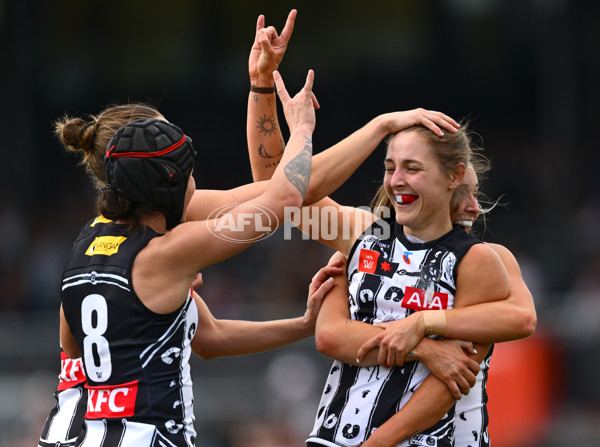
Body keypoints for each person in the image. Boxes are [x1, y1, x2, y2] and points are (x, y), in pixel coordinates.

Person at [245, 12, 534, 446]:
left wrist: (421, 325)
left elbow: (517, 323)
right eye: (390, 167)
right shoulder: (368, 231)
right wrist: (261, 85)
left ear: (453, 177)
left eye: (413, 168)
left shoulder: (479, 259)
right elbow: (276, 188)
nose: (396, 180)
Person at [52, 69, 349, 446]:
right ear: (162, 174)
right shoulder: (166, 250)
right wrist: (355, 127)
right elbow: (284, 198)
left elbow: (208, 338)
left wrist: (304, 325)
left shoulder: (86, 245)